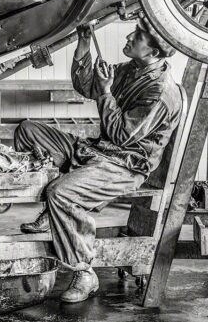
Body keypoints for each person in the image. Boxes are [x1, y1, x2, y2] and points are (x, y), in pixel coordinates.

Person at [13, 18, 183, 303]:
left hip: (124, 165)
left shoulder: (161, 93)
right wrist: (84, 43)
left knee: (60, 193)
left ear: (154, 52)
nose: (130, 36)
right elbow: (87, 86)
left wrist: (106, 92)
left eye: (138, 35)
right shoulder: (134, 68)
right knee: (28, 130)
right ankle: (56, 214)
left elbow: (121, 136)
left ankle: (83, 271)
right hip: (98, 152)